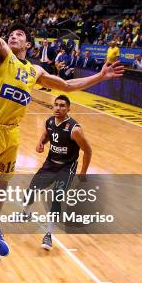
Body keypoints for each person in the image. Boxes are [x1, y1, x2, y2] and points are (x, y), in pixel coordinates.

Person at [0, 0, 123, 257]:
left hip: (12, 132)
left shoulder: (34, 71)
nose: (14, 36)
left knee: (1, 187)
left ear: (29, 44)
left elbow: (67, 85)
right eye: (11, 34)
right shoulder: (2, 56)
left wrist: (100, 76)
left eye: (20, 34)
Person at [23, 95, 92, 250]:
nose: (58, 108)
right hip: (50, 164)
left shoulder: (75, 130)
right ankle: (26, 212)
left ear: (68, 109)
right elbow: (47, 135)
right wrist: (40, 142)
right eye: (56, 105)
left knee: (56, 198)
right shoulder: (49, 122)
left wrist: (83, 172)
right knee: (32, 189)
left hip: (66, 168)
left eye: (62, 105)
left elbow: (88, 151)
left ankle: (48, 234)